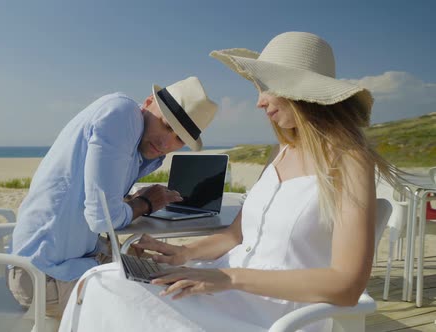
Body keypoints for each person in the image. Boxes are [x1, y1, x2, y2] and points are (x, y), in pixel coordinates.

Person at [58, 32, 402, 331]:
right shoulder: (280, 153)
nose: (259, 101)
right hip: (228, 288)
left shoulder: (350, 160)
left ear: (301, 90)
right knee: (103, 279)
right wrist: (182, 253)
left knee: (111, 291)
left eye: (266, 88)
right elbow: (237, 235)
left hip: (275, 312)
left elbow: (347, 284)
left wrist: (225, 278)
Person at [9, 76, 218, 319]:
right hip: (43, 278)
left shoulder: (137, 140)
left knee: (180, 275)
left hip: (71, 262)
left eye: (179, 139)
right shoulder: (122, 114)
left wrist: (133, 201)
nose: (165, 143)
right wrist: (146, 203)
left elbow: (99, 202)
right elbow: (101, 219)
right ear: (148, 102)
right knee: (171, 304)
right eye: (166, 125)